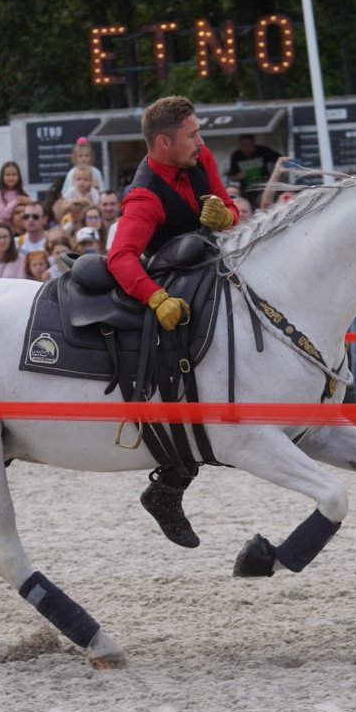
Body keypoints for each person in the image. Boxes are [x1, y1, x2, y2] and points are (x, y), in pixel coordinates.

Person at [105, 95, 237, 548]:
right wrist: (157, 299)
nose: (201, 141)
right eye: (192, 134)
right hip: (174, 288)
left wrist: (227, 216)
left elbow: (232, 211)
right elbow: (120, 259)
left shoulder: (201, 158)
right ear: (164, 142)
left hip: (212, 273)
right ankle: (171, 482)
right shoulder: (144, 197)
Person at [228, 134, 283, 206]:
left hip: (264, 187)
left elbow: (280, 160)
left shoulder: (263, 151)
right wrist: (239, 176)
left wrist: (276, 172)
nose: (246, 148)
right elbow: (232, 177)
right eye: (243, 146)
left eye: (248, 145)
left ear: (253, 143)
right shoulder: (236, 155)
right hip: (247, 191)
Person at [0, 161, 28, 228]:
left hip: (23, 227)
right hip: (7, 229)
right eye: (8, 175)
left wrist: (29, 201)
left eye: (14, 175)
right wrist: (16, 201)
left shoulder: (23, 191)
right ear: (2, 177)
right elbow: (1, 215)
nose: (11, 177)